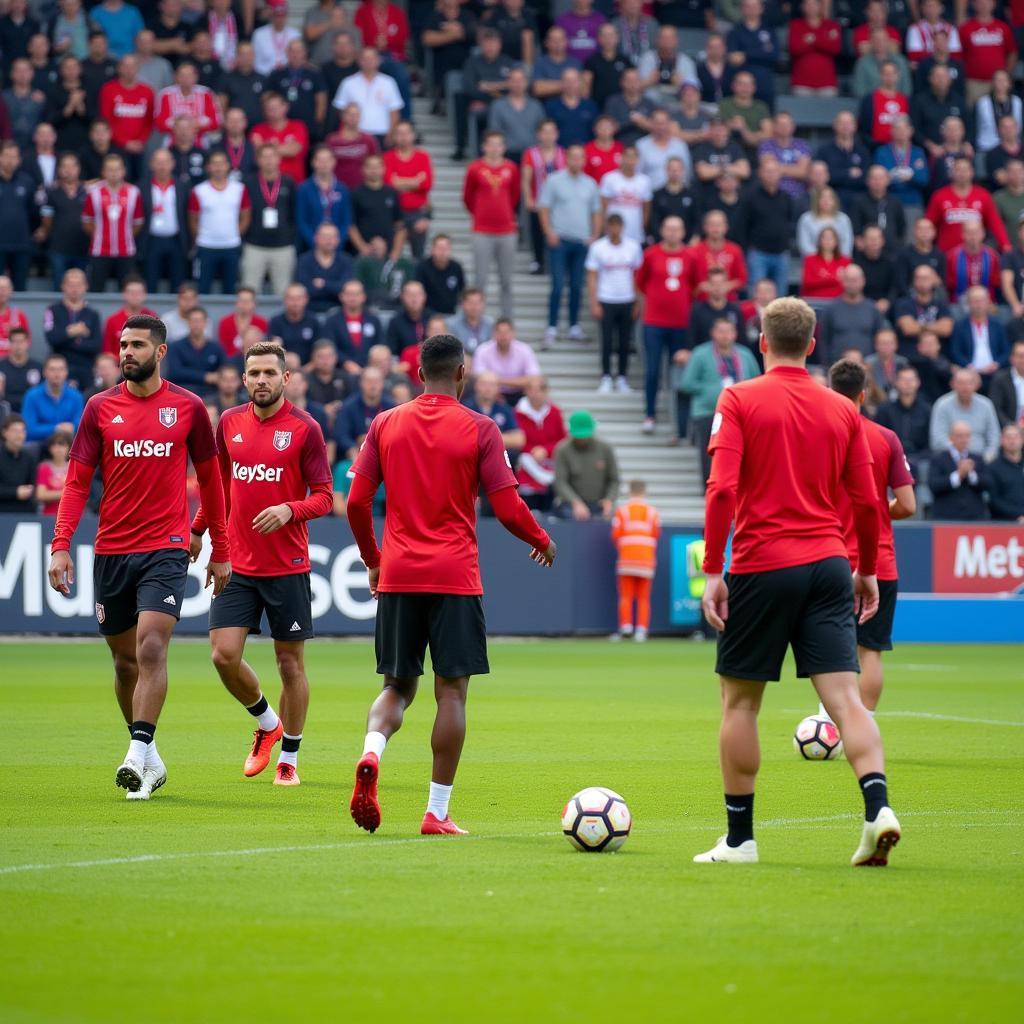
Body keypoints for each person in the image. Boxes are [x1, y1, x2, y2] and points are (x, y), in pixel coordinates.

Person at [696, 296, 896, 867]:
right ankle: (877, 806)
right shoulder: (842, 410)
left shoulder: (737, 397)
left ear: (761, 341)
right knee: (846, 701)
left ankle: (740, 841)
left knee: (740, 704)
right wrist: (865, 569)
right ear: (812, 345)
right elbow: (865, 499)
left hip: (763, 564)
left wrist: (714, 569)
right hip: (830, 564)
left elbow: (721, 490)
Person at [345, 333, 555, 835]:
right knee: (452, 695)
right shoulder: (481, 428)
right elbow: (507, 508)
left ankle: (372, 751)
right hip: (455, 577)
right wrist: (542, 538)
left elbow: (354, 503)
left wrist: (374, 560)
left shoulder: (385, 423)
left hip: (398, 573)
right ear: (462, 373)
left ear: (418, 374)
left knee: (397, 685)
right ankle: (436, 812)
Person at [47, 314, 230, 800]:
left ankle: (134, 751)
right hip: (111, 550)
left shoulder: (188, 408)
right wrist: (61, 544)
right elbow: (76, 483)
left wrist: (220, 549)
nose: (127, 352)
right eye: (123, 345)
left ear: (160, 351)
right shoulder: (98, 409)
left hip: (166, 548)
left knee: (151, 647)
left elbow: (212, 484)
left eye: (137, 345)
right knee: (125, 663)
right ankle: (149, 757)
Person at [189, 340, 331, 788]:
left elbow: (326, 496)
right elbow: (219, 486)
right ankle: (267, 723)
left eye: (270, 373)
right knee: (223, 656)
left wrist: (291, 509)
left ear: (286, 378)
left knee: (291, 666)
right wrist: (199, 530)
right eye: (254, 373)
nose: (262, 380)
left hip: (287, 565)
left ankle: (289, 756)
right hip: (236, 564)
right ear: (244, 379)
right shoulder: (228, 423)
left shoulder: (306, 429)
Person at [825, 359, 915, 719]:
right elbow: (907, 505)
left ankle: (830, 722)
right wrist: (880, 508)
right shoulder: (885, 438)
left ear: (831, 393)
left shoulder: (819, 436)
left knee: (830, 646)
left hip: (828, 559)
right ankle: (865, 727)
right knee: (871, 650)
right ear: (864, 394)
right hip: (877, 562)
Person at [680, 318, 760, 489]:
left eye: (729, 331)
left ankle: (738, 487)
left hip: (741, 413)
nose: (725, 336)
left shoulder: (745, 354)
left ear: (735, 333)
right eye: (721, 331)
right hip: (707, 411)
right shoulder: (701, 353)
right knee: (709, 452)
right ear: (713, 333)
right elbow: (686, 383)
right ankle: (709, 488)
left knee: (741, 452)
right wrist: (710, 389)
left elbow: (758, 380)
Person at [636, 215, 694, 435]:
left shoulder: (691, 255)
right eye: (668, 229)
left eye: (676, 229)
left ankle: (679, 421)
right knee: (652, 370)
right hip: (654, 323)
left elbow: (696, 285)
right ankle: (649, 414)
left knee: (680, 373)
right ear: (662, 231)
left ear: (683, 232)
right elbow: (640, 282)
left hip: (681, 324)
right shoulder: (651, 254)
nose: (672, 233)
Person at [463, 132, 520, 321]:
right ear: (484, 146)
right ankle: (477, 319)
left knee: (506, 280)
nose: (495, 149)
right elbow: (468, 197)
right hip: (482, 231)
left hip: (506, 231)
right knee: (480, 279)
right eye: (491, 145)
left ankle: (507, 321)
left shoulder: (511, 168)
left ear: (503, 147)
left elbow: (514, 196)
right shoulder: (475, 168)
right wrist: (481, 214)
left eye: (499, 145)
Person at [586, 213, 642, 394]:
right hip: (606, 299)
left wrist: (637, 302)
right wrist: (594, 302)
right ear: (607, 227)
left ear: (622, 227)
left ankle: (623, 377)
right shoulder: (598, 247)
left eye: (618, 226)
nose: (615, 230)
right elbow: (592, 277)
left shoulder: (633, 247)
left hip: (627, 299)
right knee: (607, 341)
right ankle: (606, 377)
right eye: (611, 226)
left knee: (625, 341)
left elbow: (638, 277)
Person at [82, 152, 144, 293]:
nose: (114, 173)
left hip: (126, 251)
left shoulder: (134, 192)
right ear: (103, 172)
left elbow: (138, 223)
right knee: (96, 290)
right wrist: (101, 236)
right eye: (110, 169)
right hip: (100, 251)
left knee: (127, 292)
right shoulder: (94, 192)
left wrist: (125, 236)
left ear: (123, 171)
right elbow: (87, 222)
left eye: (117, 169)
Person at [242, 144, 298, 296]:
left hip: (283, 246)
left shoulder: (289, 183)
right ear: (258, 160)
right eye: (264, 157)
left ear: (279, 159)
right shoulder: (248, 183)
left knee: (283, 292)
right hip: (255, 245)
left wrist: (290, 237)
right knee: (249, 291)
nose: (269, 161)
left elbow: (294, 213)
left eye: (272, 156)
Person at [926, 156, 1010, 254]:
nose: (962, 174)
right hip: (947, 255)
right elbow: (929, 225)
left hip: (975, 255)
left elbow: (995, 224)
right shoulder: (939, 196)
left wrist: (1005, 245)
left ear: (972, 172)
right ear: (952, 173)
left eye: (965, 170)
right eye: (958, 170)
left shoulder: (983, 195)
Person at [736, 159, 793, 299]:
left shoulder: (786, 198)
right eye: (767, 171)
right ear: (760, 173)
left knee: (781, 300)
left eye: (774, 171)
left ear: (780, 173)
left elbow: (790, 222)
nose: (771, 175)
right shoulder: (750, 197)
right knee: (757, 297)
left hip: (781, 253)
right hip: (758, 254)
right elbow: (742, 226)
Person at [610, 480, 660, 643]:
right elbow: (656, 533)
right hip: (646, 559)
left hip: (627, 558)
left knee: (626, 595)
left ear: (630, 492)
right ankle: (641, 630)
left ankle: (626, 627)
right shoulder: (652, 512)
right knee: (644, 597)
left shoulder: (622, 511)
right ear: (644, 492)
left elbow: (616, 534)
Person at [553, 408, 619, 520]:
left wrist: (609, 500)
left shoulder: (605, 449)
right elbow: (560, 482)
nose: (582, 439)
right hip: (571, 505)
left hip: (599, 504)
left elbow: (614, 480)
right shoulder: (562, 450)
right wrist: (575, 502)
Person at [44, 268, 102, 390]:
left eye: (79, 285)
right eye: (70, 285)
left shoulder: (93, 314)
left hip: (86, 367)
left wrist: (67, 340)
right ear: (63, 286)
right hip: (61, 366)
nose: (75, 289)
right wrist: (71, 332)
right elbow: (52, 339)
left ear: (86, 286)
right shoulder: (53, 310)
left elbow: (96, 345)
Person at [513, 375, 565, 512]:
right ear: (526, 391)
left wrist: (545, 450)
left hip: (550, 465)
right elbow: (515, 440)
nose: (535, 394)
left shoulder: (555, 412)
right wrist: (532, 451)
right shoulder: (517, 412)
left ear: (546, 391)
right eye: (531, 389)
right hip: (525, 464)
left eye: (539, 389)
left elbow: (562, 440)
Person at [333, 46, 402, 146]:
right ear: (359, 61)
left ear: (379, 60)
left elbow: (394, 110)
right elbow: (341, 109)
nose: (369, 61)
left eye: (372, 58)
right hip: (356, 134)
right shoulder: (348, 82)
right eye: (365, 58)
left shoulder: (388, 82)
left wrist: (391, 133)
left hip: (382, 132)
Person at [382, 121, 432, 260]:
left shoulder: (423, 157)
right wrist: (414, 181)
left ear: (413, 135)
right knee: (392, 255)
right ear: (394, 136)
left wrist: (399, 182)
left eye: (406, 133)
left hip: (417, 213)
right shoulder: (388, 157)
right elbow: (388, 184)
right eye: (399, 133)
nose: (403, 137)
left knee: (418, 257)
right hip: (394, 213)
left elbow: (427, 184)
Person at [818, 265, 887, 363]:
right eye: (848, 280)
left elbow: (880, 339)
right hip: (836, 368)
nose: (852, 284)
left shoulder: (873, 310)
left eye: (855, 280)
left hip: (867, 368)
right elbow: (823, 341)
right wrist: (826, 365)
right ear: (842, 281)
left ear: (863, 281)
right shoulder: (830, 309)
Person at [929, 368, 1001, 458]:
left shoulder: (986, 405)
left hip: (982, 459)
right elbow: (938, 439)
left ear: (977, 385)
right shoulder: (942, 405)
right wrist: (959, 455)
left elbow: (994, 436)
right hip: (950, 459)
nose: (965, 387)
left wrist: (988, 456)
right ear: (952, 384)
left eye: (969, 383)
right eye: (960, 383)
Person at [928, 420, 992, 520]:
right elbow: (933, 485)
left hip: (975, 518)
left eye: (967, 436)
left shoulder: (977, 458)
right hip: (945, 517)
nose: (964, 439)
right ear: (951, 438)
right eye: (960, 436)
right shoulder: (938, 459)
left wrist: (971, 475)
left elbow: (988, 483)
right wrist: (958, 475)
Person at [875, 365, 932, 474]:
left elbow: (929, 443)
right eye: (903, 380)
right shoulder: (884, 410)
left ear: (918, 382)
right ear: (896, 382)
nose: (908, 383)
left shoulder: (926, 410)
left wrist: (915, 459)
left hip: (919, 460)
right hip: (891, 459)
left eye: (911, 380)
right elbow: (878, 440)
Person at [951, 286, 1009, 388]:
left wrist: (997, 364)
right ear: (968, 303)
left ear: (988, 302)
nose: (978, 305)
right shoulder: (960, 325)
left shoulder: (998, 325)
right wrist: (968, 366)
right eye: (974, 301)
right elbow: (955, 351)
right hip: (969, 372)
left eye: (981, 301)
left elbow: (1006, 350)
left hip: (995, 372)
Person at [295, 145, 350, 253]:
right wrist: (315, 242)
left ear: (334, 162)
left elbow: (347, 220)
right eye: (320, 160)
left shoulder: (342, 189)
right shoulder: (304, 189)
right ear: (313, 162)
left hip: (337, 248)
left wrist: (336, 242)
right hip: (310, 248)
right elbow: (301, 221)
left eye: (327, 160)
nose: (324, 164)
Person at [472, 319, 541, 402]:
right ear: (493, 334)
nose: (503, 336)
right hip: (492, 394)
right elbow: (480, 377)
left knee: (537, 389)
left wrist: (499, 381)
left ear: (513, 333)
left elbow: (533, 378)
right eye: (500, 332)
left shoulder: (524, 350)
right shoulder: (483, 350)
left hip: (521, 394)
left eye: (506, 332)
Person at [163, 306, 224, 398]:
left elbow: (224, 368)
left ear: (206, 323)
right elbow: (174, 372)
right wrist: (205, 376)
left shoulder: (216, 347)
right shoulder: (175, 346)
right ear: (187, 323)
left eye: (199, 321)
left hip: (210, 394)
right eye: (193, 321)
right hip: (182, 393)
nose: (197, 324)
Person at [324, 280, 383, 373]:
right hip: (339, 371)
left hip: (370, 371)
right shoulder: (332, 321)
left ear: (363, 297)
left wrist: (370, 366)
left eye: (357, 294)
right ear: (341, 296)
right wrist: (346, 363)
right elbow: (330, 346)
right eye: (349, 294)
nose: (353, 298)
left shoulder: (374, 320)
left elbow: (379, 345)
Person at [21, 354, 83, 442]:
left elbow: (80, 425)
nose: (57, 374)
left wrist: (73, 427)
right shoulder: (32, 396)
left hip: (68, 444)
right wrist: (56, 429)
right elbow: (29, 429)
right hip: (40, 444)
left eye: (61, 369)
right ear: (44, 372)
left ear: (66, 372)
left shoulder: (77, 396)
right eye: (52, 369)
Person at [296, 223, 353, 314]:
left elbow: (346, 288)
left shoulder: (346, 260)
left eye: (333, 237)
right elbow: (303, 289)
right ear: (316, 238)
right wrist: (333, 288)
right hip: (309, 311)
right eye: (325, 236)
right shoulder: (304, 260)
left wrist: (323, 284)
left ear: (338, 240)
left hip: (339, 311)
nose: (329, 240)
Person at [462, 371, 524, 450]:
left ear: (498, 388)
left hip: (498, 458)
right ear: (476, 386)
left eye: (492, 384)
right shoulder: (465, 407)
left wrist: (485, 438)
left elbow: (519, 439)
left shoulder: (505, 409)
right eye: (484, 384)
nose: (488, 388)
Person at [946, 221, 1002, 304]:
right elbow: (948, 286)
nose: (973, 236)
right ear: (962, 234)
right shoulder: (952, 256)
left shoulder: (992, 256)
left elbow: (997, 285)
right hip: (959, 304)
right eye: (969, 232)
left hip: (987, 304)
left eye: (976, 232)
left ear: (983, 233)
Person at [101, 277, 155, 358]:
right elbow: (107, 353)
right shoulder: (112, 320)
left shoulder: (153, 319)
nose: (135, 296)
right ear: (124, 294)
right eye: (131, 293)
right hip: (118, 367)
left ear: (145, 295)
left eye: (138, 293)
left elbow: (156, 350)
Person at [415, 235, 464, 316]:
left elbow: (462, 291)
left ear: (450, 250)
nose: (442, 252)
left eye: (446, 248)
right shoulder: (423, 267)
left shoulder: (456, 267)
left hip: (450, 314)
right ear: (433, 250)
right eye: (439, 248)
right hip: (427, 315)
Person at [252, 0, 300, 77]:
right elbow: (254, 60)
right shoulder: (259, 34)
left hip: (288, 76)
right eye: (277, 15)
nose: (280, 19)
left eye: (282, 15)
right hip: (264, 76)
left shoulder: (295, 34)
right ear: (272, 16)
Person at [801, 226, 850, 301]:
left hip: (838, 303)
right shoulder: (809, 260)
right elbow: (807, 283)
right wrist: (834, 278)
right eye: (824, 238)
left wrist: (822, 278)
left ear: (836, 241)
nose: (827, 241)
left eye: (831, 238)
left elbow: (848, 285)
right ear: (819, 240)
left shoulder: (845, 261)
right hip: (814, 301)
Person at [218, 287, 268, 359]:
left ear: (254, 303)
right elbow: (223, 349)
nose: (244, 304)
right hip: (231, 364)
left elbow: (264, 349)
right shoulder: (225, 322)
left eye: (247, 301)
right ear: (236, 302)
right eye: (241, 301)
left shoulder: (262, 323)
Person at [0, 413, 36, 513]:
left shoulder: (29, 457)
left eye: (22, 431)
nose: (19, 435)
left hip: (24, 512)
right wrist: (15, 492)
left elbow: (33, 486)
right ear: (4, 432)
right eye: (15, 431)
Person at [988, 424, 1024, 521]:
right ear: (1001, 441)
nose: (1012, 441)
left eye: (1016, 437)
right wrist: (1018, 515)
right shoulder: (993, 468)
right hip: (1004, 524)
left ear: (1022, 440)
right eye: (1008, 437)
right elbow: (994, 500)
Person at [0, 327, 41, 411]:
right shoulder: (1, 366)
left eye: (21, 341)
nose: (18, 345)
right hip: (7, 411)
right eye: (15, 341)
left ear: (27, 343)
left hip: (31, 409)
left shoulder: (37, 367)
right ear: (9, 344)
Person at [35, 428, 73, 514]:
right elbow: (40, 494)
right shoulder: (44, 468)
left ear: (69, 447)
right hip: (49, 516)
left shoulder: (75, 468)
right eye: (54, 445)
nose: (58, 448)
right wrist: (67, 494)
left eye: (62, 444)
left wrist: (52, 494)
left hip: (71, 516)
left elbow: (82, 495)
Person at [449, 288, 494, 356]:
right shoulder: (451, 324)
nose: (474, 307)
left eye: (477, 303)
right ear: (462, 304)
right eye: (470, 303)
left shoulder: (491, 324)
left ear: (483, 305)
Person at [989, 340, 1024, 427]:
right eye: (1020, 356)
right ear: (1012, 358)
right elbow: (996, 408)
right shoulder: (1000, 379)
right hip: (1010, 431)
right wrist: (1011, 426)